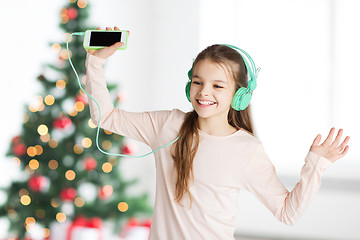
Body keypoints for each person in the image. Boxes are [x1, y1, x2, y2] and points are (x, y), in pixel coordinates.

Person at [84, 26, 350, 240]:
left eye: (217, 86)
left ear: (240, 95)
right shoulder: (167, 125)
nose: (204, 92)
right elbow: (105, 117)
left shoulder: (247, 150)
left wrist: (316, 164)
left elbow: (287, 213)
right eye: (197, 82)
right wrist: (95, 65)